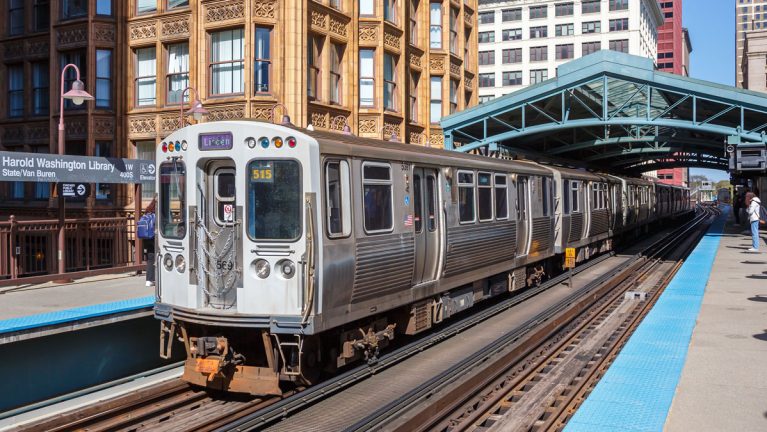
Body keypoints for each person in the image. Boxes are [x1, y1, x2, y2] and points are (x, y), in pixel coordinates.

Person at [142, 198, 157, 286]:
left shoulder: (148, 211)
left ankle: (149, 280)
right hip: (154, 237)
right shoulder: (160, 211)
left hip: (146, 238)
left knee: (150, 258)